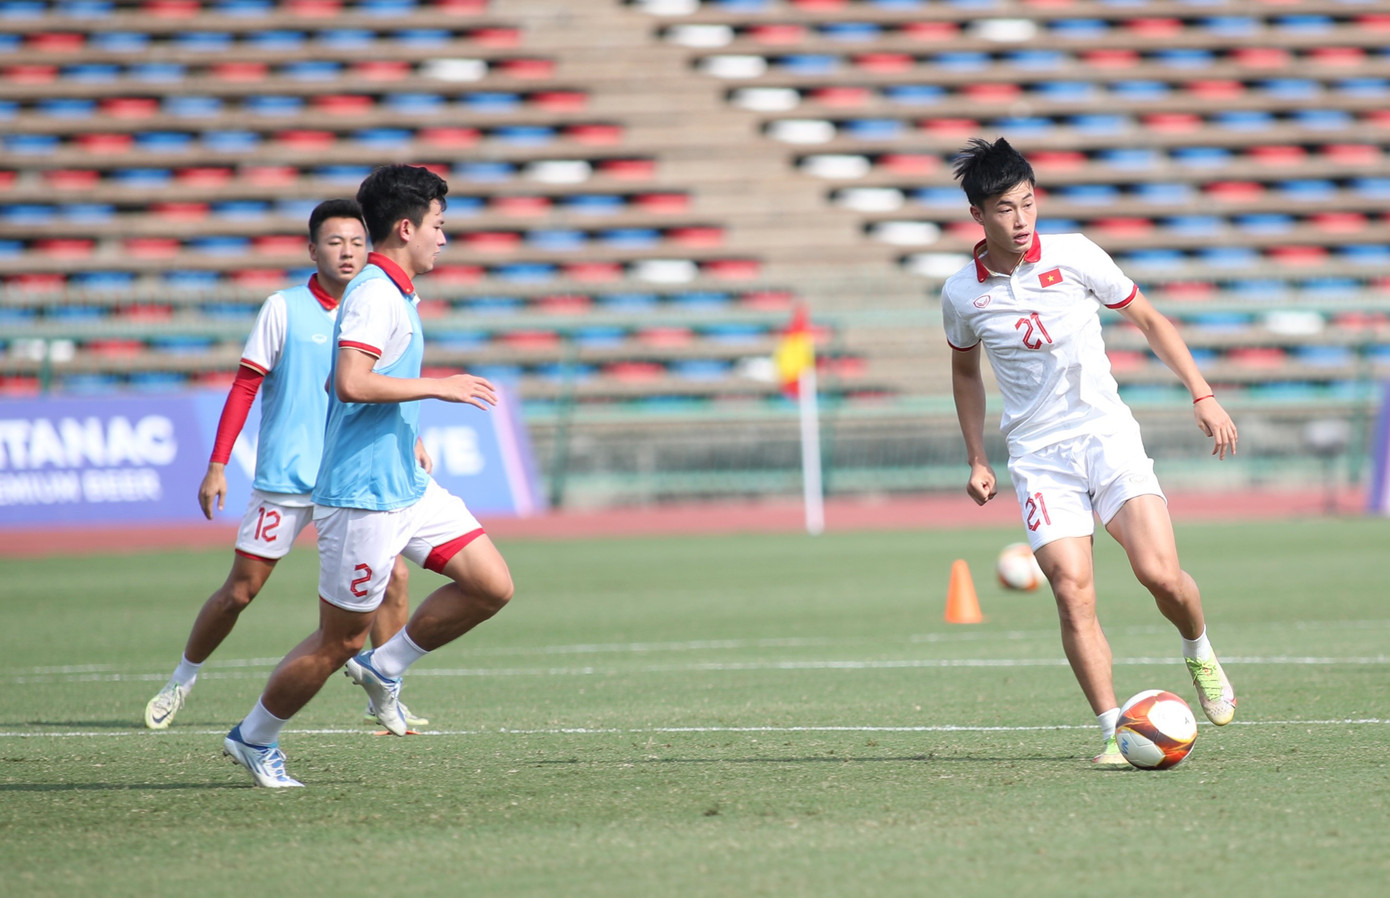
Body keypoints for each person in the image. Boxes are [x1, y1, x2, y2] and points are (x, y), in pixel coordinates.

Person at [940, 137, 1239, 767]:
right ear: (978, 216)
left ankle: (1198, 648)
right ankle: (1112, 732)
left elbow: (1152, 319)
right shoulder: (962, 295)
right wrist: (977, 456)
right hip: (1039, 457)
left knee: (1159, 574)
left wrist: (1202, 394)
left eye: (1027, 204)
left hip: (1107, 436)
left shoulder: (1075, 255)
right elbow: (965, 374)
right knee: (1072, 591)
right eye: (1004, 209)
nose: (1020, 221)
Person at [223, 164, 514, 788]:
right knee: (338, 643)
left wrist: (410, 433)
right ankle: (255, 736)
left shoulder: (397, 289)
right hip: (361, 498)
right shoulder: (377, 294)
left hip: (403, 483)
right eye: (439, 226)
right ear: (406, 227)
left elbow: (370, 384)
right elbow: (349, 383)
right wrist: (439, 389)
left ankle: (390, 666)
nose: (444, 238)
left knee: (490, 584)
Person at [144, 199, 430, 732]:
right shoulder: (284, 308)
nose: (347, 253)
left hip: (349, 478)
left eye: (356, 242)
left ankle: (385, 694)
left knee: (394, 577)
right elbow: (246, 385)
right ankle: (182, 678)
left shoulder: (381, 303)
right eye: (334, 242)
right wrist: (217, 465)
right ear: (312, 249)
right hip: (290, 478)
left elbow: (392, 386)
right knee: (240, 592)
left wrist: (412, 440)